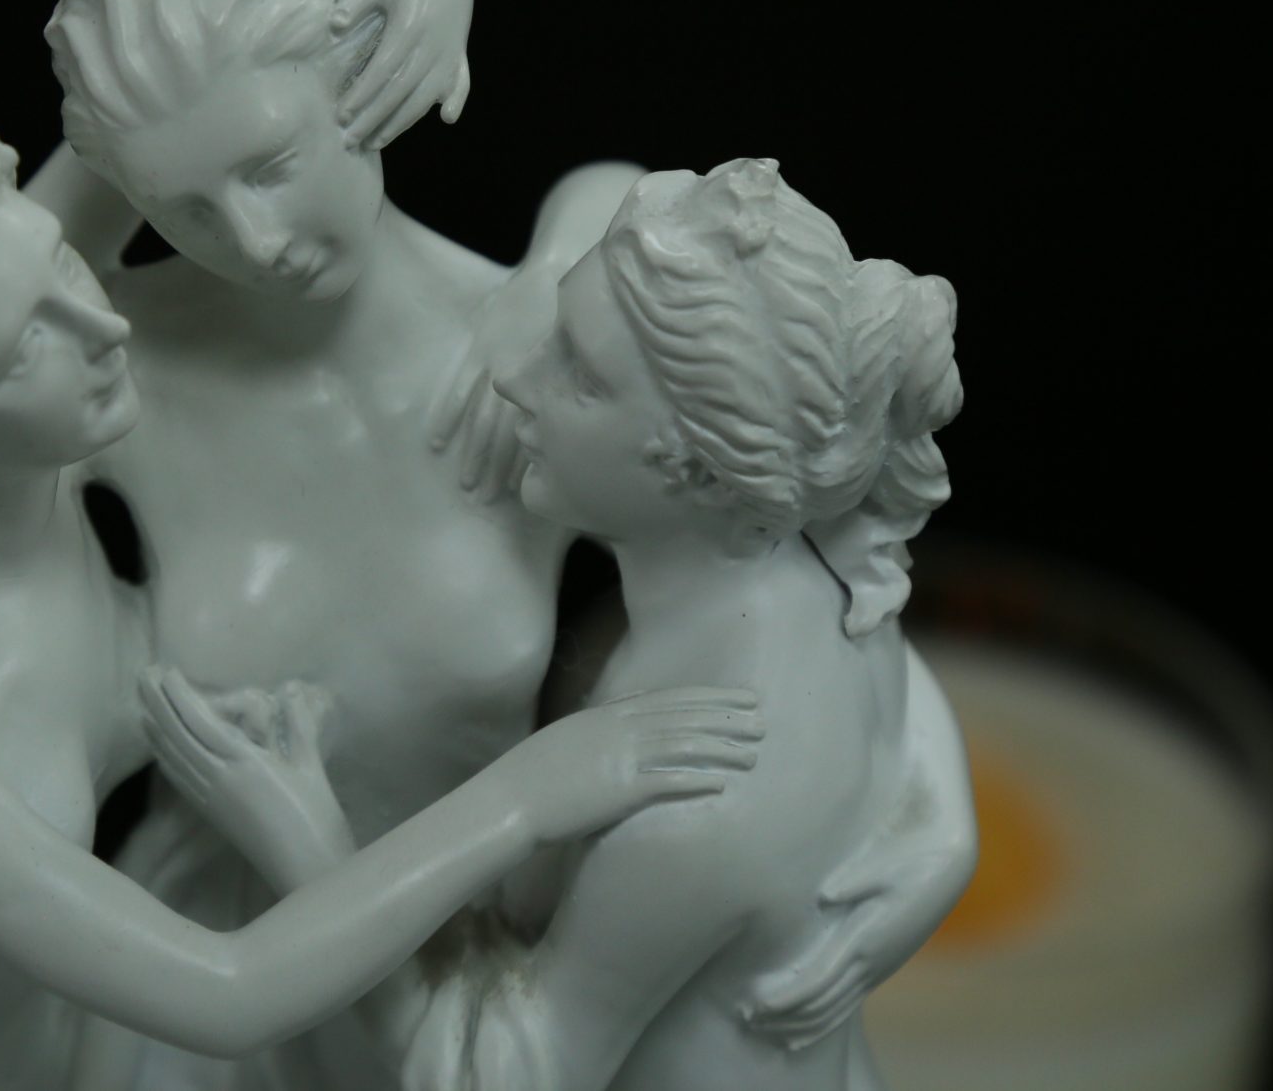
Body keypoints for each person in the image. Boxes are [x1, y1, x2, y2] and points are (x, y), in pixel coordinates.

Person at [0, 0, 972, 1086]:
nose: (254, 239)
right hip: (199, 991)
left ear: (352, 75)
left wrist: (927, 806)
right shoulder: (104, 368)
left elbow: (774, 532)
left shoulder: (538, 365)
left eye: (273, 165)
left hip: (457, 968)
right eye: (181, 206)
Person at [0, 100, 762, 1091]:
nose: (103, 325)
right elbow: (227, 990)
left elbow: (155, 80)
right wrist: (527, 794)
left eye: (59, 261)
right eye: (22, 347)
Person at [142, 159, 975, 1091]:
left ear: (695, 469)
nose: (509, 373)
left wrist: (306, 843)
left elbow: (494, 1075)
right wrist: (948, 834)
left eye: (578, 373)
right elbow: (903, 699)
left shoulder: (697, 803)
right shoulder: (825, 590)